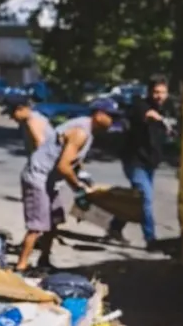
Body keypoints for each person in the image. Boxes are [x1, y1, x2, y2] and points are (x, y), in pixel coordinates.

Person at [15, 99, 122, 272]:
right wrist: (78, 189)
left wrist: (83, 176)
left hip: (51, 179)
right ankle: (21, 267)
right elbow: (63, 167)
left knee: (53, 222)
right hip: (38, 176)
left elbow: (72, 160)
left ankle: (44, 261)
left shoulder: (88, 131)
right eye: (111, 116)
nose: (113, 121)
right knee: (37, 226)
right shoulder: (81, 132)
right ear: (99, 115)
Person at [105, 74, 172, 247]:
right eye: (156, 92)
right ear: (149, 92)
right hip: (135, 162)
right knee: (145, 199)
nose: (159, 96)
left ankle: (115, 227)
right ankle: (151, 240)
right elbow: (147, 114)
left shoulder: (164, 110)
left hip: (150, 163)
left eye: (163, 92)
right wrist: (160, 120)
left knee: (135, 200)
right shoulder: (140, 105)